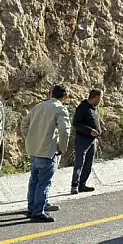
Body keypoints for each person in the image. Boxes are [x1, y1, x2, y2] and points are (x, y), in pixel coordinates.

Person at [20, 84, 71, 223]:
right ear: (64, 97)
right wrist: (62, 147)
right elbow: (64, 131)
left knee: (34, 181)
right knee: (44, 183)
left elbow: (24, 124)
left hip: (34, 149)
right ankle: (38, 211)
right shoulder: (60, 109)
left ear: (50, 94)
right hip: (48, 151)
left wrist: (30, 138)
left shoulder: (39, 106)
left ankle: (31, 208)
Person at [71, 89, 103, 194]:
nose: (100, 101)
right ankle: (74, 185)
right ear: (95, 97)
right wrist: (89, 131)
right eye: (99, 98)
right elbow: (76, 123)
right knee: (79, 162)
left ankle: (82, 184)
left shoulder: (95, 108)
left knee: (88, 164)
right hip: (82, 139)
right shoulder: (82, 108)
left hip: (93, 140)